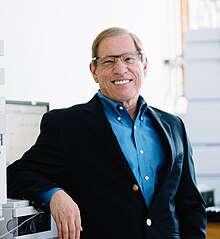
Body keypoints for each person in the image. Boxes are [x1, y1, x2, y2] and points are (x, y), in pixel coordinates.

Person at [7, 27, 206, 239]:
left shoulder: (173, 126)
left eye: (129, 58)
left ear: (144, 65)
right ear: (94, 71)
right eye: (109, 61)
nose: (120, 69)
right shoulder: (66, 125)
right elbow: (17, 174)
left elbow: (190, 205)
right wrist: (54, 195)